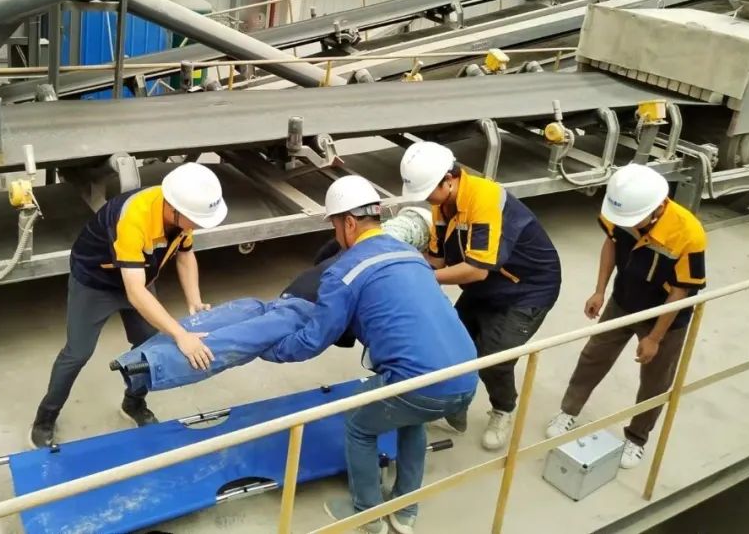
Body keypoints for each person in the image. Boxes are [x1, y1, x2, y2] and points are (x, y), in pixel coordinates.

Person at [266, 175, 477, 534]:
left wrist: (272, 349)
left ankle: (367, 514)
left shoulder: (344, 271)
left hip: (420, 384)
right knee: (412, 418)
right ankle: (405, 511)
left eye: (335, 226)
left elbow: (314, 340)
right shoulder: (411, 255)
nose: (335, 235)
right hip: (468, 374)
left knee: (359, 425)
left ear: (348, 223)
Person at [110, 205, 434, 393]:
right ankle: (148, 365)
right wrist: (275, 349)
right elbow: (338, 323)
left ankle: (141, 359)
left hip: (298, 293)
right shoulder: (394, 264)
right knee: (237, 337)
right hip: (306, 305)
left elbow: (325, 255)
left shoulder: (363, 238)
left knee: (233, 321)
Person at [28, 162, 227, 448]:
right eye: (196, 221)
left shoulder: (183, 209)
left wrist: (194, 300)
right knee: (78, 353)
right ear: (173, 209)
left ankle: (133, 403)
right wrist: (181, 334)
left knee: (149, 347)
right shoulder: (134, 218)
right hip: (95, 283)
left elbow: (185, 255)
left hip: (139, 278)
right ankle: (45, 418)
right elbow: (135, 294)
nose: (198, 226)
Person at [401, 141, 561, 452]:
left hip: (526, 291)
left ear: (449, 179)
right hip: (487, 287)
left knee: (493, 359)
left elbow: (475, 271)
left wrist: (421, 278)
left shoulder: (484, 199)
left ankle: (503, 410)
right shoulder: (442, 204)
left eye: (428, 191)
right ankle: (455, 409)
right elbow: (438, 261)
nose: (425, 199)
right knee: (452, 343)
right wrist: (403, 263)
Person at [545, 163, 706, 469]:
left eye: (634, 221)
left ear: (657, 208)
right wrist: (599, 291)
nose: (627, 225)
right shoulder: (619, 210)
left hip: (664, 316)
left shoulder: (688, 234)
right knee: (593, 356)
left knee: (655, 380)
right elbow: (611, 243)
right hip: (623, 301)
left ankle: (637, 439)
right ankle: (569, 410)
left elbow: (680, 292)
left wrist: (655, 338)